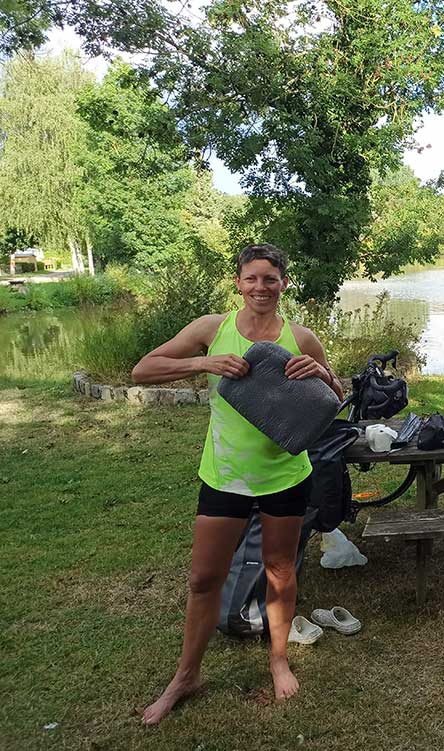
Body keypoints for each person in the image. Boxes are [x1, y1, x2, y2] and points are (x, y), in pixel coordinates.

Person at [132, 243, 344, 725]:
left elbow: (334, 399)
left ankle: (278, 659)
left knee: (280, 571)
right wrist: (203, 363)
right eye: (251, 279)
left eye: (270, 279)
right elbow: (143, 369)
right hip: (224, 476)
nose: (260, 287)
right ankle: (186, 676)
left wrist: (324, 375)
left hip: (284, 476)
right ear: (238, 283)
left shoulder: (301, 336)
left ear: (283, 283)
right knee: (203, 578)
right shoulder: (212, 329)